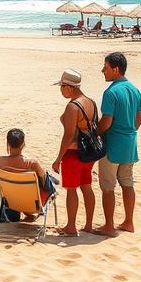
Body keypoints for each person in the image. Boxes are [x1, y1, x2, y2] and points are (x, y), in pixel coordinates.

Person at [94, 52, 141, 236]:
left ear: (115, 69)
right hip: (130, 143)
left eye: (105, 68)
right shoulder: (134, 89)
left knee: (107, 187)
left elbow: (106, 121)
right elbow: (139, 118)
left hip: (113, 144)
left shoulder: (111, 92)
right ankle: (129, 222)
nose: (102, 71)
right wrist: (128, 130)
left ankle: (108, 226)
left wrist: (95, 134)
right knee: (127, 183)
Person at [51, 69, 97, 236]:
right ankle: (89, 224)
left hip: (73, 154)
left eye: (61, 86)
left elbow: (69, 135)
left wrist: (58, 158)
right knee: (86, 186)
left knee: (72, 189)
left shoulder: (72, 106)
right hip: (88, 153)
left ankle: (71, 226)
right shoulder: (90, 101)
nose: (61, 90)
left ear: (69, 87)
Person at [0, 128, 54, 223]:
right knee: (46, 179)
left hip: (11, 202)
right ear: (23, 144)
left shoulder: (1, 161)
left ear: (8, 143)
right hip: (33, 205)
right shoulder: (32, 163)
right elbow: (44, 181)